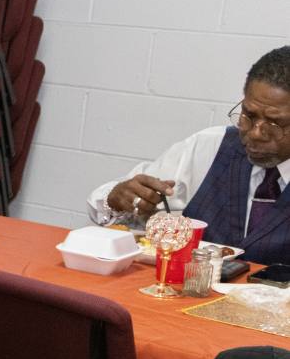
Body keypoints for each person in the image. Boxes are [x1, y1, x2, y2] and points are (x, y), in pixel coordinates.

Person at [89, 46, 290, 264]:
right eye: (249, 115)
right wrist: (117, 199)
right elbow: (103, 208)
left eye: (275, 123)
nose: (255, 132)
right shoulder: (211, 146)